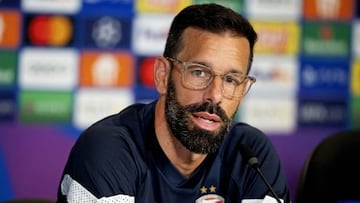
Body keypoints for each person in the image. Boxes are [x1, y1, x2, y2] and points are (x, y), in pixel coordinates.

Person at [57, 3, 290, 203]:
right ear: (163, 76)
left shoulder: (251, 156)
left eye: (231, 79)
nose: (215, 95)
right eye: (199, 72)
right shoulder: (109, 151)